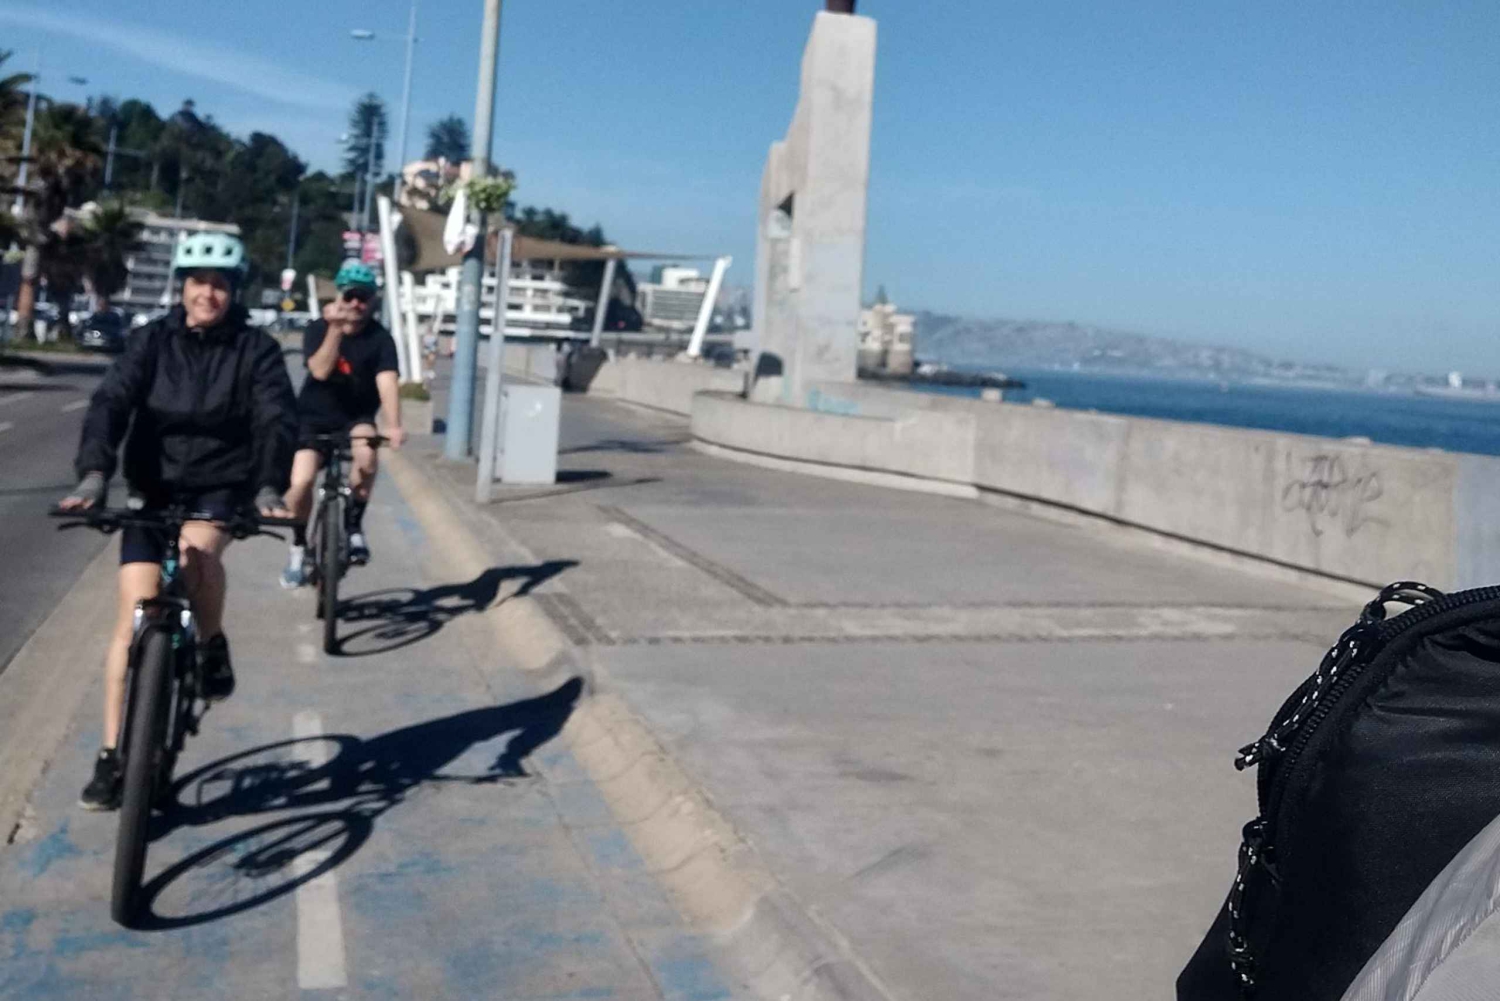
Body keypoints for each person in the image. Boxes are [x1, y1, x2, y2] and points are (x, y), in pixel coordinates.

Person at [59, 232, 297, 811]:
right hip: (153, 487)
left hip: (220, 485)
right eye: (198, 283)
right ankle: (114, 755)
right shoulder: (149, 343)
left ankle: (211, 642)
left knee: (195, 557)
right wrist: (94, 474)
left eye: (219, 285)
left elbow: (275, 418)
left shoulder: (256, 350)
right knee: (133, 611)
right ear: (182, 287)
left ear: (232, 291)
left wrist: (268, 483)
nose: (207, 295)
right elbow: (110, 404)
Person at [280, 261, 406, 587]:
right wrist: (335, 329)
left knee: (366, 455)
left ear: (372, 301)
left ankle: (353, 526)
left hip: (356, 418)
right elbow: (320, 370)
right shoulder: (318, 327)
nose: (355, 305)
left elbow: (388, 381)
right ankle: (298, 548)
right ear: (338, 296)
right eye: (349, 297)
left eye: (363, 298)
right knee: (302, 481)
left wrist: (393, 425)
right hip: (312, 416)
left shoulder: (380, 339)